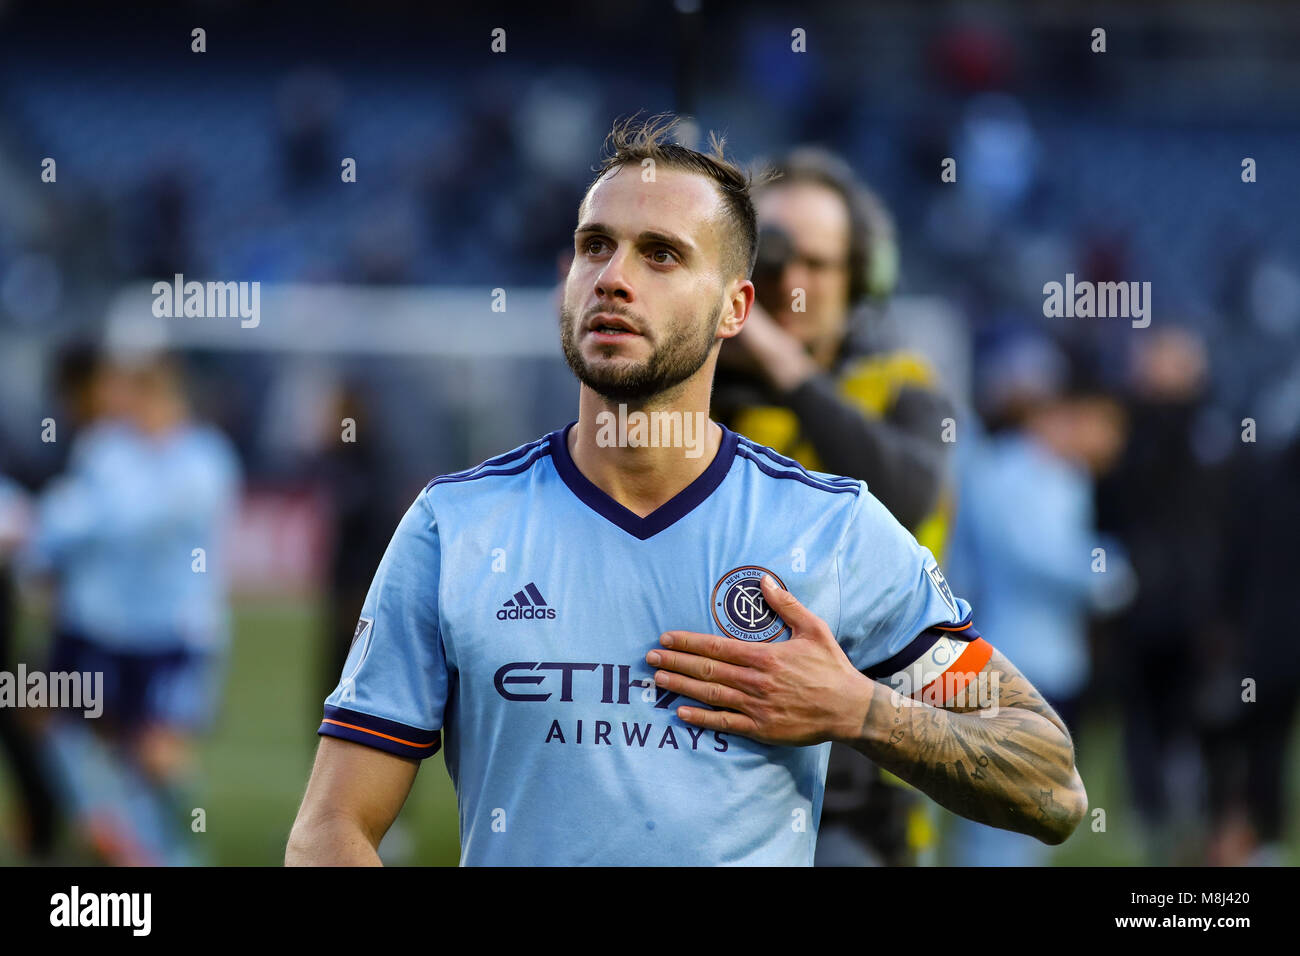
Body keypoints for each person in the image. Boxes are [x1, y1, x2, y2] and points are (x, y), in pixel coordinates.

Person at [286, 114, 1086, 866]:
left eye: (661, 254)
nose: (613, 278)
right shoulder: (454, 529)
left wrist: (859, 710)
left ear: (735, 307)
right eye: (594, 246)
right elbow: (331, 828)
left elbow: (1051, 783)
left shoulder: (833, 531)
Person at [712, 148, 956, 866]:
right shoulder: (699, 390)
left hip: (862, 788)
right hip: (713, 771)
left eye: (815, 263)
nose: (791, 281)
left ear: (861, 279)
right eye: (770, 256)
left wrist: (783, 361)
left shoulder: (902, 387)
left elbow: (906, 493)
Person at [22, 352, 241, 865]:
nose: (134, 408)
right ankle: (115, 833)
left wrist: (72, 523)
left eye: (146, 397)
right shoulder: (107, 448)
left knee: (157, 755)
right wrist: (44, 544)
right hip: (104, 626)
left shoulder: (204, 460)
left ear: (172, 399)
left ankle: (176, 852)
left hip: (175, 630)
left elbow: (130, 519)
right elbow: (69, 514)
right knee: (54, 713)